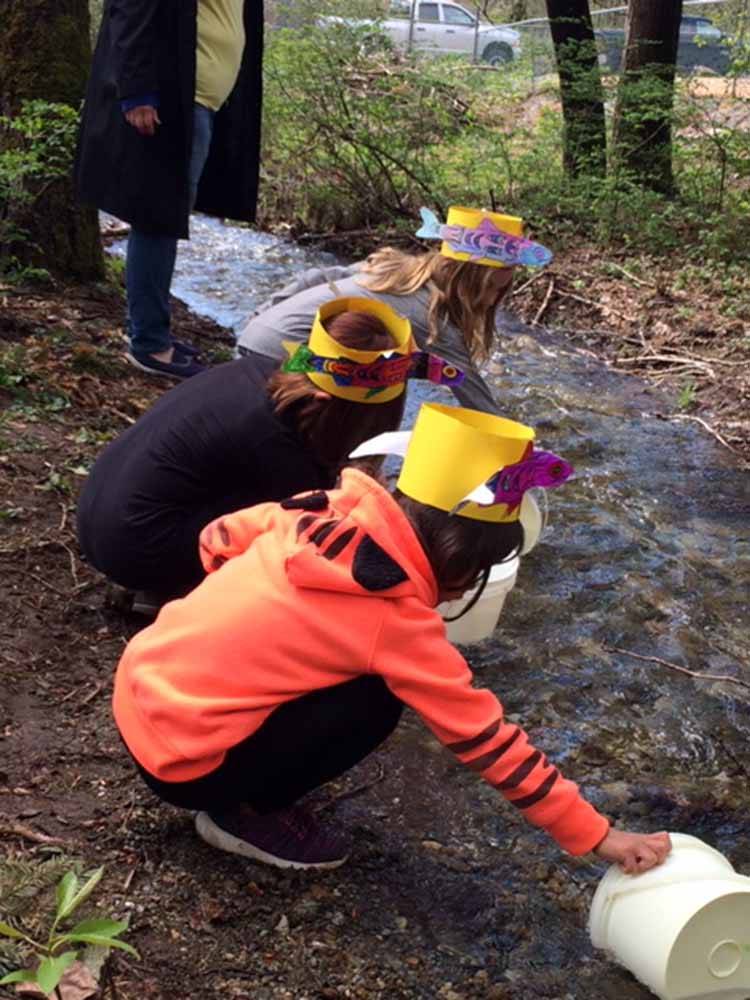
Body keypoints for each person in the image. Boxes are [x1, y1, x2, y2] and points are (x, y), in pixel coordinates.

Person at [112, 401, 672, 874]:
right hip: (184, 769)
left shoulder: (315, 509)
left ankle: (239, 760)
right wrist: (597, 835)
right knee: (377, 700)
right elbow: (486, 739)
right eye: (468, 581)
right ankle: (242, 814)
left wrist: (242, 622)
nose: (456, 597)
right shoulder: (395, 620)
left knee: (340, 671)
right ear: (455, 561)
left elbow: (218, 537)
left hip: (139, 692)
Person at [77, 298, 464, 608]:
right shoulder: (275, 445)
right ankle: (171, 592)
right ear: (326, 402)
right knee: (302, 534)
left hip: (100, 510)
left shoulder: (266, 370)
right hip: (131, 546)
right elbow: (322, 537)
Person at [75, 0, 263, 380]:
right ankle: (149, 344)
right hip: (174, 100)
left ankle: (153, 334)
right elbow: (130, 10)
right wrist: (137, 90)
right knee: (158, 218)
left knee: (165, 215)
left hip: (205, 103)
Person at [237, 205, 553, 414]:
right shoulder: (434, 319)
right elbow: (475, 400)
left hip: (257, 336)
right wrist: (519, 457)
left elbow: (316, 277)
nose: (493, 301)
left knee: (392, 370)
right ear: (467, 280)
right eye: (494, 289)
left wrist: (259, 318)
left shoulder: (399, 269)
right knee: (385, 386)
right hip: (283, 359)